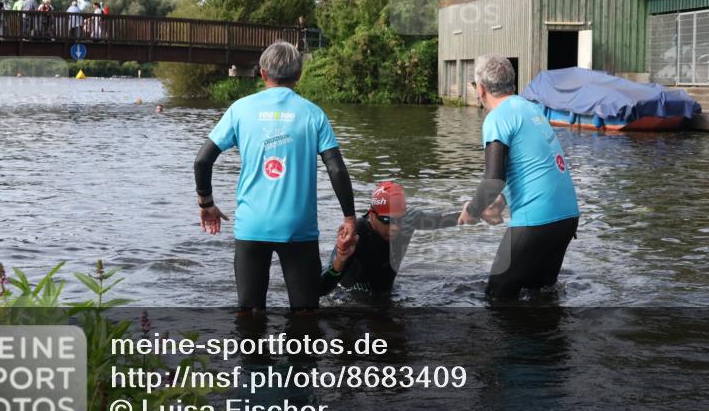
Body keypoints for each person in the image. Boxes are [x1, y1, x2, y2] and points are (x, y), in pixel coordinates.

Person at [193, 40, 356, 311]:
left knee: (250, 313)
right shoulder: (313, 114)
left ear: (262, 73)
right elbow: (336, 169)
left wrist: (206, 204)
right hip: (298, 228)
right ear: (299, 75)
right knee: (305, 313)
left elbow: (202, 161)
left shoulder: (240, 109)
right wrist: (349, 217)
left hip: (252, 226)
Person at [458, 54, 580, 299]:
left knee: (496, 296)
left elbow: (493, 179)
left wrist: (472, 211)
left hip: (537, 220)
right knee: (540, 296)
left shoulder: (497, 118)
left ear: (481, 89)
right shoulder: (530, 108)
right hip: (567, 217)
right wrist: (501, 202)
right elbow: (531, 165)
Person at [319, 182, 471, 298]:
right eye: (387, 220)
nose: (395, 228)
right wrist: (340, 259)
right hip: (348, 299)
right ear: (371, 215)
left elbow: (445, 219)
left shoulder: (410, 218)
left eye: (400, 220)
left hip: (385, 296)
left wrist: (475, 211)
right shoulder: (356, 234)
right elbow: (321, 289)